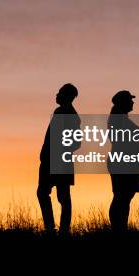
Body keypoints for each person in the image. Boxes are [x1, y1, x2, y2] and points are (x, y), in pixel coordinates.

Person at [37, 83, 81, 234]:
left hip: (58, 161)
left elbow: (76, 142)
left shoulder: (70, 115)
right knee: (48, 194)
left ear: (68, 96)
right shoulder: (60, 112)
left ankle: (59, 230)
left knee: (61, 196)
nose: (57, 95)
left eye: (60, 92)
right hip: (50, 160)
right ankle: (54, 228)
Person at [107, 90, 139, 231]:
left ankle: (120, 227)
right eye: (130, 100)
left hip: (127, 163)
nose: (132, 102)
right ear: (123, 103)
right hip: (124, 163)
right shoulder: (118, 120)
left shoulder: (120, 119)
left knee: (123, 197)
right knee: (121, 197)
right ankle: (118, 228)